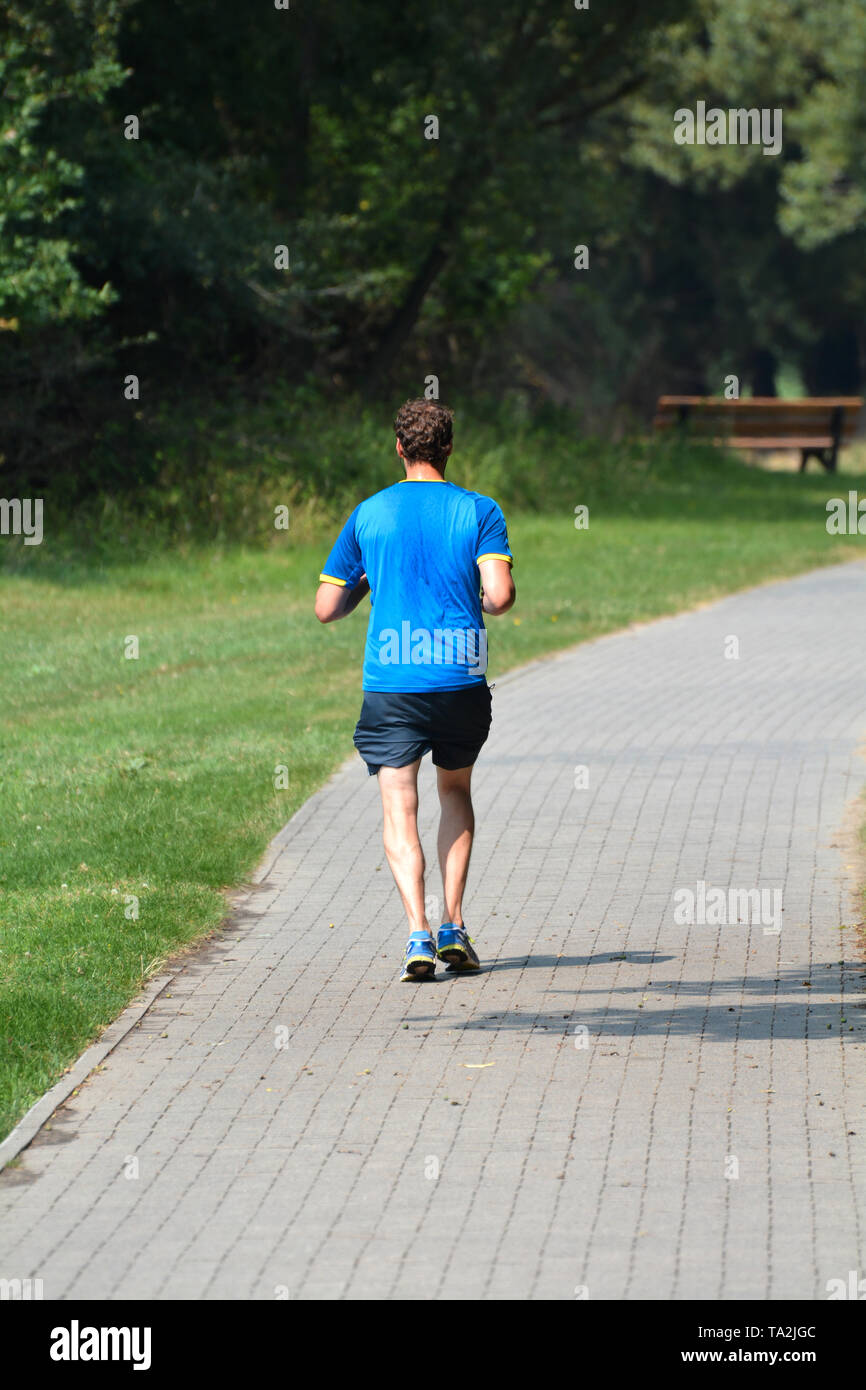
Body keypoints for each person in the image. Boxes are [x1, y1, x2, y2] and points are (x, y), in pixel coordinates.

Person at [315, 398, 515, 981]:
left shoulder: (368, 514)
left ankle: (418, 937)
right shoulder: (481, 511)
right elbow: (498, 598)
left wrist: (365, 583)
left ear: (399, 448)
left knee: (400, 807)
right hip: (459, 677)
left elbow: (327, 607)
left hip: (392, 682)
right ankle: (454, 924)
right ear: (449, 448)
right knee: (454, 793)